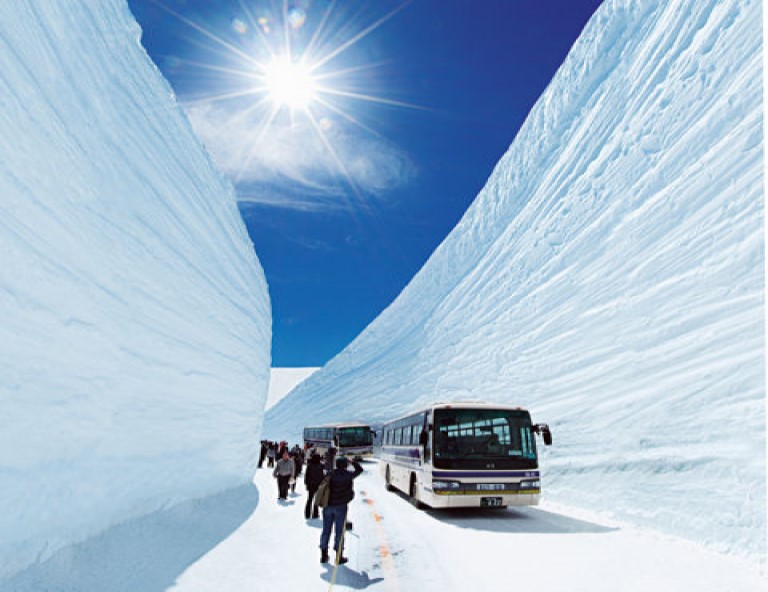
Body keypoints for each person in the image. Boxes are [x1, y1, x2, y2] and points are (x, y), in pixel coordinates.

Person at [319, 457, 363, 564]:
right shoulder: (348, 475)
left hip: (328, 505)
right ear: (345, 465)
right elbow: (360, 470)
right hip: (341, 506)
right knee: (339, 532)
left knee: (326, 530)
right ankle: (339, 556)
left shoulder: (330, 474)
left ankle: (323, 555)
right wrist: (353, 461)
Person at [304, 453, 325, 519]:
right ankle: (315, 514)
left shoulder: (309, 465)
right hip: (319, 485)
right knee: (316, 500)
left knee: (309, 499)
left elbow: (306, 476)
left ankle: (307, 514)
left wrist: (306, 484)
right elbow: (323, 475)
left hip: (311, 485)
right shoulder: (321, 466)